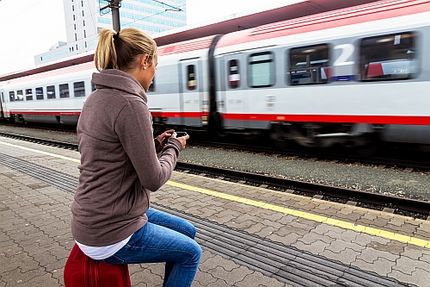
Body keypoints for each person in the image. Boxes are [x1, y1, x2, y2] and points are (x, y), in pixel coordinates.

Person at [70, 27, 202, 287]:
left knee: (188, 231)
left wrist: (153, 143)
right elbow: (153, 179)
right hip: (110, 230)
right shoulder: (131, 104)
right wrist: (173, 146)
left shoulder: (96, 98)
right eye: (155, 66)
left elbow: (112, 153)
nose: (154, 76)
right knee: (191, 253)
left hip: (93, 218)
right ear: (145, 60)